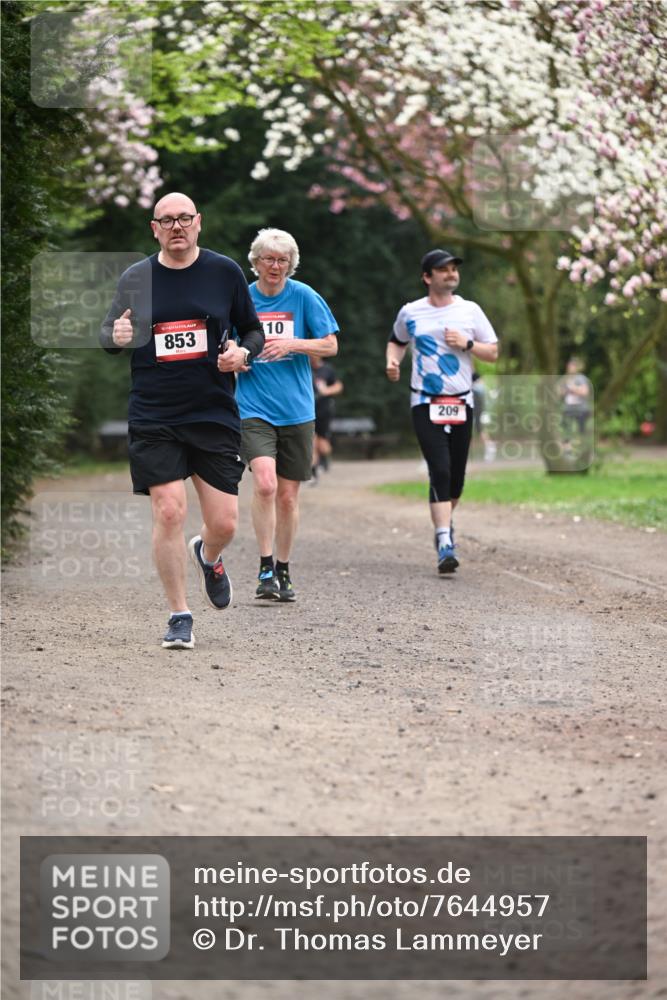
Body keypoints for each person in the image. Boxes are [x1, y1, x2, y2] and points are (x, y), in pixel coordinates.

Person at [101, 192, 264, 649]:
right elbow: (110, 334)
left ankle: (208, 555)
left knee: (226, 523)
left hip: (212, 412)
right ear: (154, 228)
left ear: (198, 223)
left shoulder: (224, 272)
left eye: (184, 219)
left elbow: (252, 328)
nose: (176, 227)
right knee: (169, 510)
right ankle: (179, 614)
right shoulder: (136, 278)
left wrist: (242, 351)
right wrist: (116, 334)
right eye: (166, 220)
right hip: (155, 411)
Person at [236, 228, 339, 601]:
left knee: (288, 497)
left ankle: (283, 567)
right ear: (257, 262)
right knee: (265, 483)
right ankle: (264, 567)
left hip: (297, 408)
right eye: (268, 259)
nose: (275, 266)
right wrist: (238, 357)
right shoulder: (242, 298)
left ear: (290, 264)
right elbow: (225, 343)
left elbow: (330, 345)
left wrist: (292, 344)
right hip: (253, 406)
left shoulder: (304, 297)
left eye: (282, 260)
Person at [386, 249, 499, 574]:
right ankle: (444, 539)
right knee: (440, 468)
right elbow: (397, 341)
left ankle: (445, 525)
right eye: (442, 269)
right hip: (425, 400)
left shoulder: (470, 311)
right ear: (427, 277)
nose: (450, 273)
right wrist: (393, 361)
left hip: (461, 399)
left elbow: (492, 353)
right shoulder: (411, 312)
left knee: (457, 478)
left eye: (453, 269)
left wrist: (467, 344)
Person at [311, 356, 344, 481]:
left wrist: (327, 391)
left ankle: (324, 460)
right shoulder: (304, 368)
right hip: (308, 411)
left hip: (324, 410)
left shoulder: (327, 369)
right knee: (311, 440)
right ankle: (313, 468)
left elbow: (339, 386)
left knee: (322, 442)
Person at [558, 356, 591, 438]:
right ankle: (567, 448)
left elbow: (585, 392)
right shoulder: (565, 379)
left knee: (581, 431)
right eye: (569, 366)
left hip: (581, 408)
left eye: (572, 366)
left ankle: (583, 446)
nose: (570, 368)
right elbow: (559, 392)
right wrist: (564, 390)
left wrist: (573, 388)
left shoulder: (581, 378)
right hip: (568, 408)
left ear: (576, 368)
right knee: (564, 428)